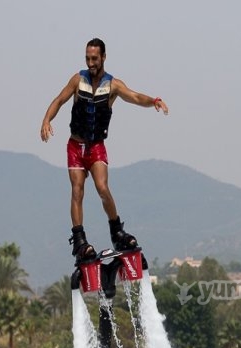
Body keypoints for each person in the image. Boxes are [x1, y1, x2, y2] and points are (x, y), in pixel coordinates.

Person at [40, 37, 169, 262]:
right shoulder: (77, 80)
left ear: (103, 58)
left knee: (102, 187)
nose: (91, 62)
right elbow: (59, 100)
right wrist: (46, 120)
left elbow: (137, 97)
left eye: (95, 58)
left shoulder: (113, 85)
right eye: (87, 58)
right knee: (77, 190)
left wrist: (154, 100)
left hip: (96, 147)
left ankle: (117, 231)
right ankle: (79, 240)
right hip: (75, 146)